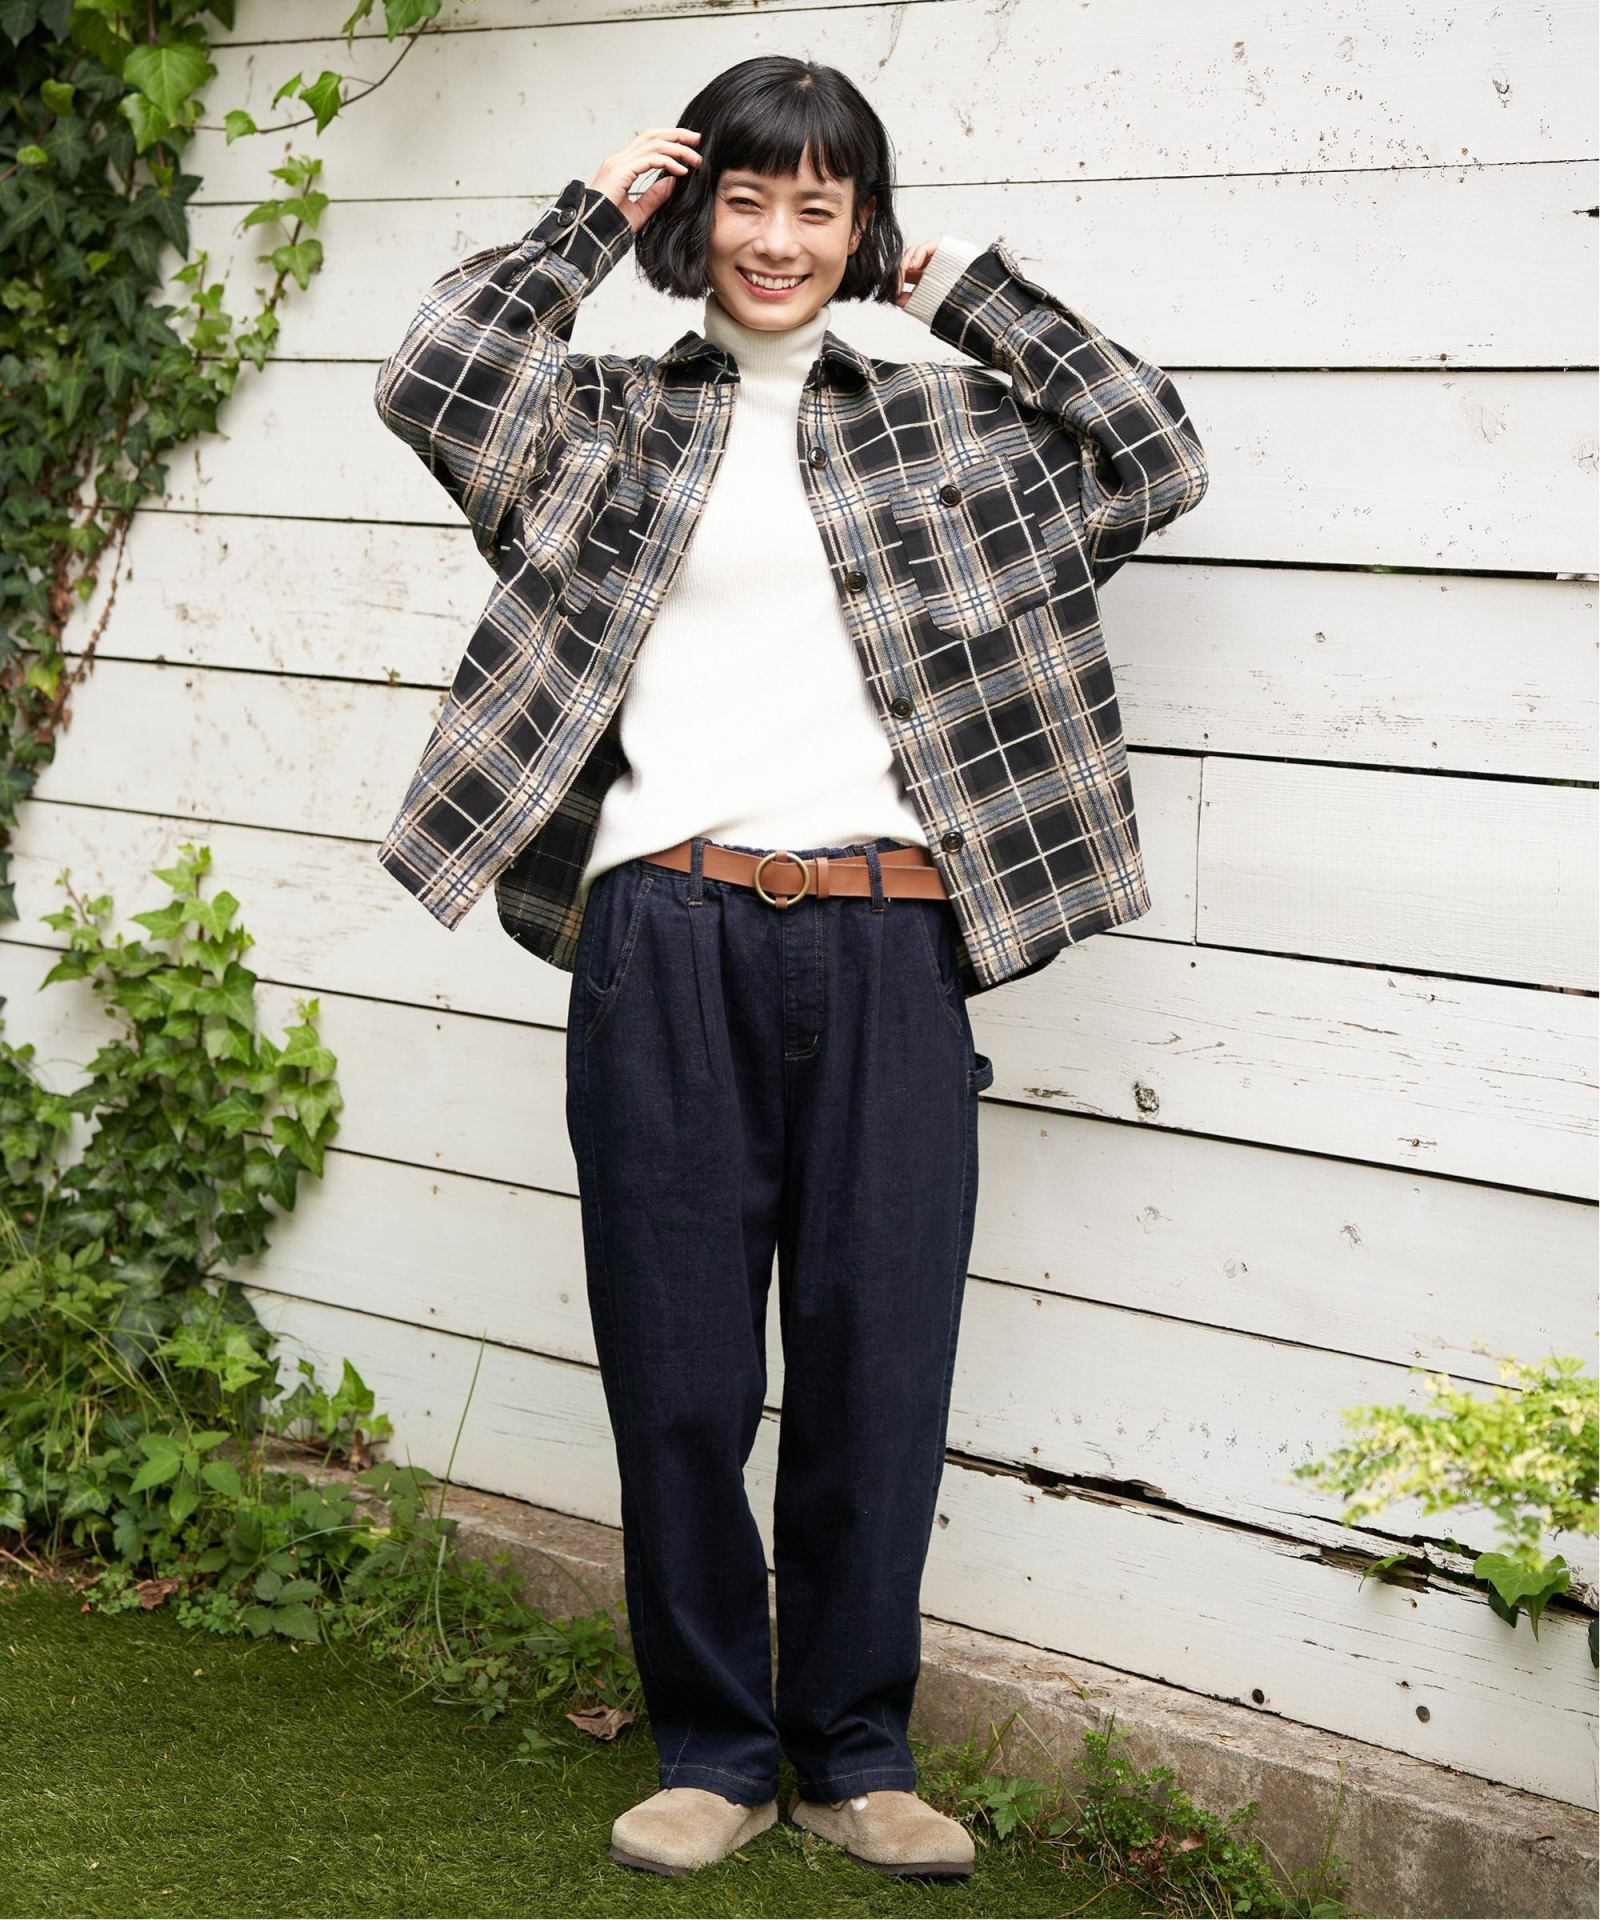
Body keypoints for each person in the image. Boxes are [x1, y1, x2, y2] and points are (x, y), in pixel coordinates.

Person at [371, 54, 1208, 1883]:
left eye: (819, 205)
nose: (776, 236)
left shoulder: (947, 435)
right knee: (678, 1375)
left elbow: (1152, 448)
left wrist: (953, 287)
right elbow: (432, 373)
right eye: (745, 197)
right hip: (663, 936)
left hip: (895, 938)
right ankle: (712, 1749)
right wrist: (587, 222)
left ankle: (857, 1754)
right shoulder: (602, 420)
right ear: (695, 209)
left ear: (861, 225)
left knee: (875, 1367)